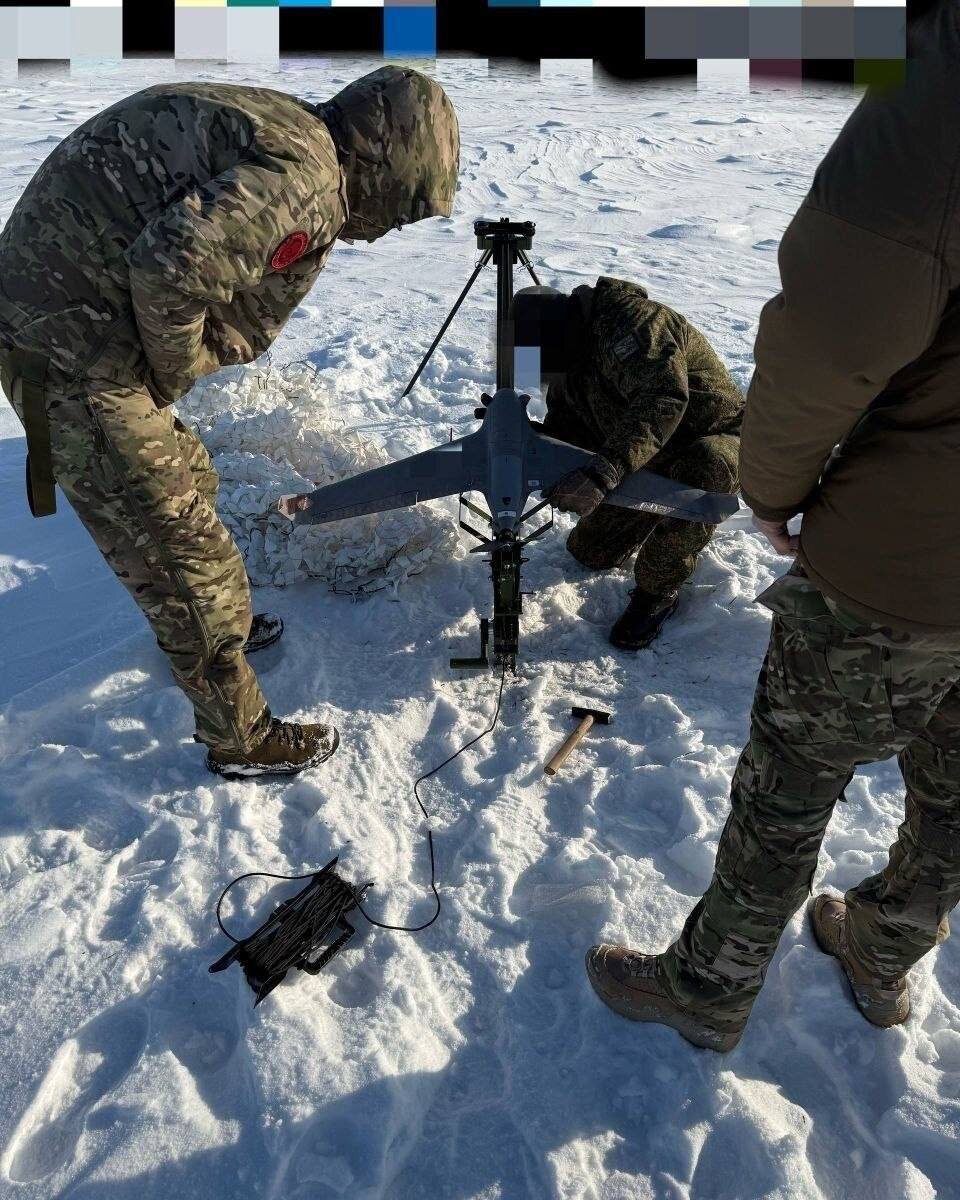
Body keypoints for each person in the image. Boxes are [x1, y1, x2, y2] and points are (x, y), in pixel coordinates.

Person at [585, 1, 960, 1051]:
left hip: (905, 558)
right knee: (956, 803)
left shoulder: (944, 82)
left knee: (789, 791)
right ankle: (885, 955)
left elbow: (840, 325)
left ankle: (711, 987)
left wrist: (773, 486)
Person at [0, 66, 460, 779]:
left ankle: (216, 629)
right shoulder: (306, 180)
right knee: (184, 550)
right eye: (403, 205)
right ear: (385, 160)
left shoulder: (297, 131)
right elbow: (170, 266)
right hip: (72, 347)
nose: (392, 224)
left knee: (191, 478)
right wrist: (173, 368)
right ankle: (240, 735)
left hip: (66, 319)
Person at [510, 279, 743, 650]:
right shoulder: (571, 355)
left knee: (707, 464)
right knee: (590, 551)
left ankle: (658, 591)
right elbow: (568, 429)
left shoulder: (632, 323)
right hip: (647, 455)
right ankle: (656, 515)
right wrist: (528, 438)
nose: (544, 377)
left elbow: (664, 398)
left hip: (709, 441)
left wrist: (604, 473)